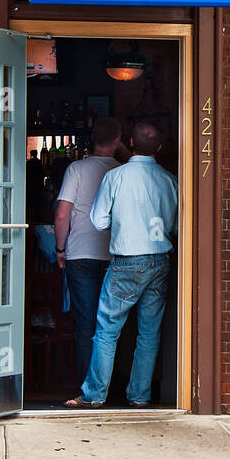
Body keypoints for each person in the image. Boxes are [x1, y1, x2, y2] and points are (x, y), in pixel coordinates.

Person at [66, 121, 178, 409]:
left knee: (107, 329)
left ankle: (94, 395)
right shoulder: (170, 180)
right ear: (161, 148)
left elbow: (99, 220)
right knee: (149, 333)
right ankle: (139, 396)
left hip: (126, 261)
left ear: (130, 141)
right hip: (160, 261)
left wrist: (122, 224)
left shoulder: (116, 176)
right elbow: (177, 227)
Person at [54, 117, 122, 382]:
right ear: (117, 140)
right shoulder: (122, 170)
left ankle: (86, 385)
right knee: (111, 324)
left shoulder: (76, 169)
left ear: (92, 139)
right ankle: (110, 384)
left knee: (86, 325)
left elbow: (62, 215)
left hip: (80, 253)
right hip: (114, 255)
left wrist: (60, 249)